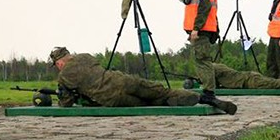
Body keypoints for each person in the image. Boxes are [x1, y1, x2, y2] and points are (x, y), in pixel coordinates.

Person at [49, 47, 237, 114]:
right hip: (122, 80)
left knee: (149, 102)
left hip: (112, 99)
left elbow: (66, 103)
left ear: (59, 62)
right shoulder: (86, 56)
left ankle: (170, 101)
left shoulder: (64, 76)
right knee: (161, 92)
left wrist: (68, 93)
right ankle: (205, 99)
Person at [177, 0, 237, 113]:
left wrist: (196, 28)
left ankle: (209, 93)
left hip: (202, 29)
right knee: (201, 60)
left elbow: (204, 4)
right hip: (204, 28)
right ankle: (208, 92)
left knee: (202, 61)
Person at [188, 62, 280, 94]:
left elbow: (211, 82)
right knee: (274, 83)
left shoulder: (214, 68)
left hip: (249, 81)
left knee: (275, 84)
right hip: (248, 79)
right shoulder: (215, 68)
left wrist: (200, 80)